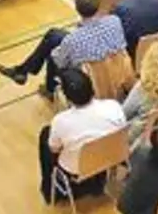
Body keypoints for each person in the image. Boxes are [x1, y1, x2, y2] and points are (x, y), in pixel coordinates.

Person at [0, 0, 127, 96]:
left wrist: (58, 52)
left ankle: (49, 88)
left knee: (53, 52)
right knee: (54, 35)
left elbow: (59, 60)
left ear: (77, 8)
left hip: (88, 77)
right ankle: (22, 71)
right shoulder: (114, 21)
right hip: (115, 69)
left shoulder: (73, 39)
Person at [40, 67, 127, 203]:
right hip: (112, 157)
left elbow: (54, 149)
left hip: (76, 168)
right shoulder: (113, 106)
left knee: (45, 135)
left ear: (67, 96)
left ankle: (50, 190)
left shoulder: (61, 121)